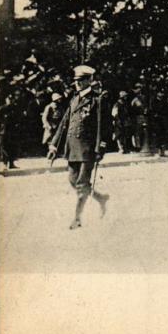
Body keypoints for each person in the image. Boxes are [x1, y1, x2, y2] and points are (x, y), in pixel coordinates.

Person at [47, 65, 111, 229]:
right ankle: (100, 198)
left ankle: (77, 218)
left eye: (81, 80)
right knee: (73, 180)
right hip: (72, 148)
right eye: (76, 81)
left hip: (88, 149)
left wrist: (101, 148)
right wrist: (53, 145)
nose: (78, 84)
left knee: (82, 184)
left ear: (90, 80)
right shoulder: (74, 100)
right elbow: (64, 124)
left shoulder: (98, 99)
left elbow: (105, 126)